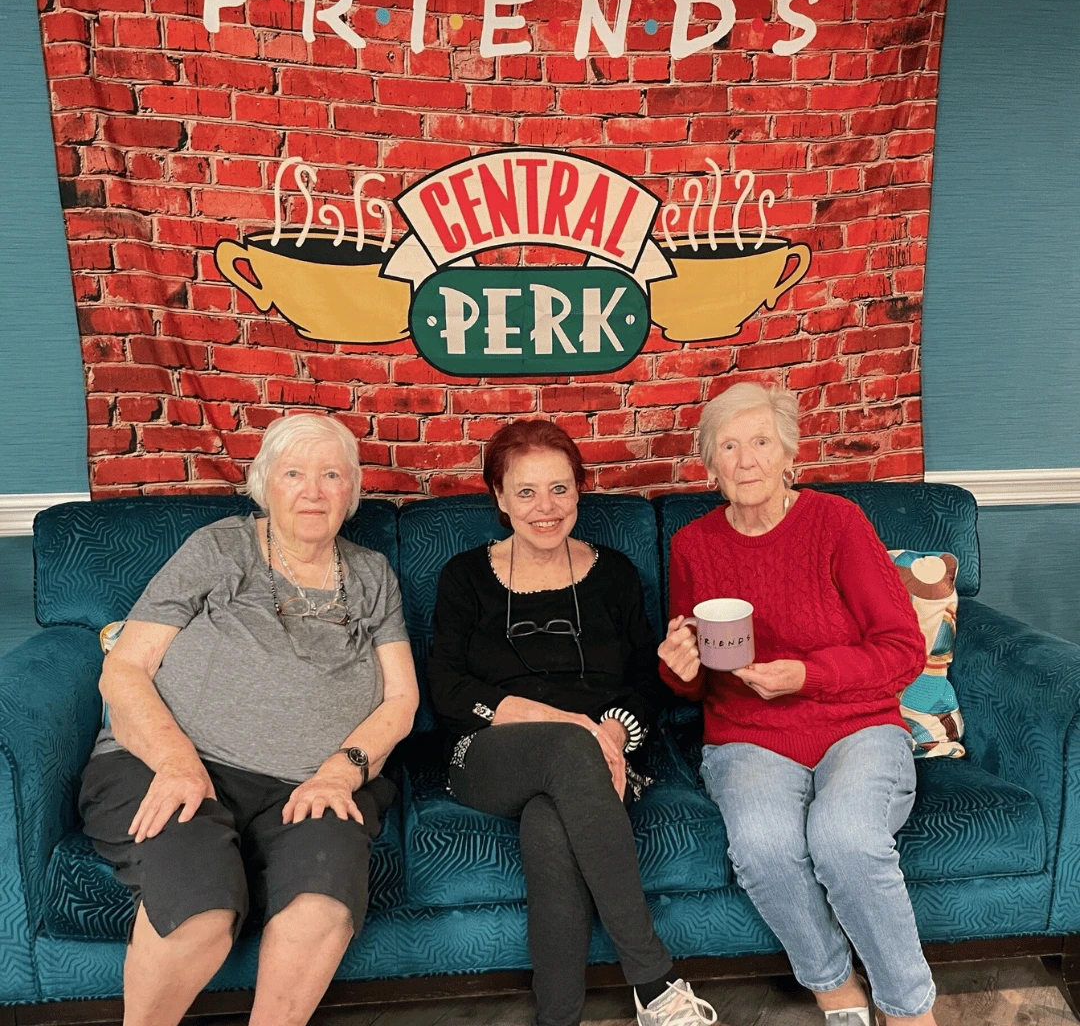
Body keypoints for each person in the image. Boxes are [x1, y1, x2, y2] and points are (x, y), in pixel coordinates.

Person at [80, 413, 418, 1026]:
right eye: (294, 474)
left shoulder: (372, 575)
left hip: (314, 783)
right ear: (265, 484)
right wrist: (177, 763)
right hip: (175, 765)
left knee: (322, 908)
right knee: (203, 913)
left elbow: (401, 702)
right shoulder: (218, 548)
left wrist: (342, 773)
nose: (313, 490)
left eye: (331, 475)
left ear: (352, 490)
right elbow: (123, 669)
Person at [658, 382, 935, 1026]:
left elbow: (901, 651)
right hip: (747, 735)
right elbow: (695, 680)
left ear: (790, 453)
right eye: (729, 446)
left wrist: (805, 675)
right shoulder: (694, 545)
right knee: (761, 844)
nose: (747, 459)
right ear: (710, 465)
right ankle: (834, 986)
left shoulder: (837, 523)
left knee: (843, 838)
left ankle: (909, 1008)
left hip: (857, 725)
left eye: (761, 441)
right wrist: (678, 671)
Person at [427, 419, 716, 1026]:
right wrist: (573, 728)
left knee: (549, 822)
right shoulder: (464, 577)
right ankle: (655, 982)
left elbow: (644, 682)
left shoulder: (613, 574)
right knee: (565, 749)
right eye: (526, 492)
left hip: (602, 756)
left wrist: (609, 732)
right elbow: (449, 688)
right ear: (499, 499)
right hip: (487, 754)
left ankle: (557, 1015)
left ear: (581, 490)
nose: (545, 507)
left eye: (559, 489)